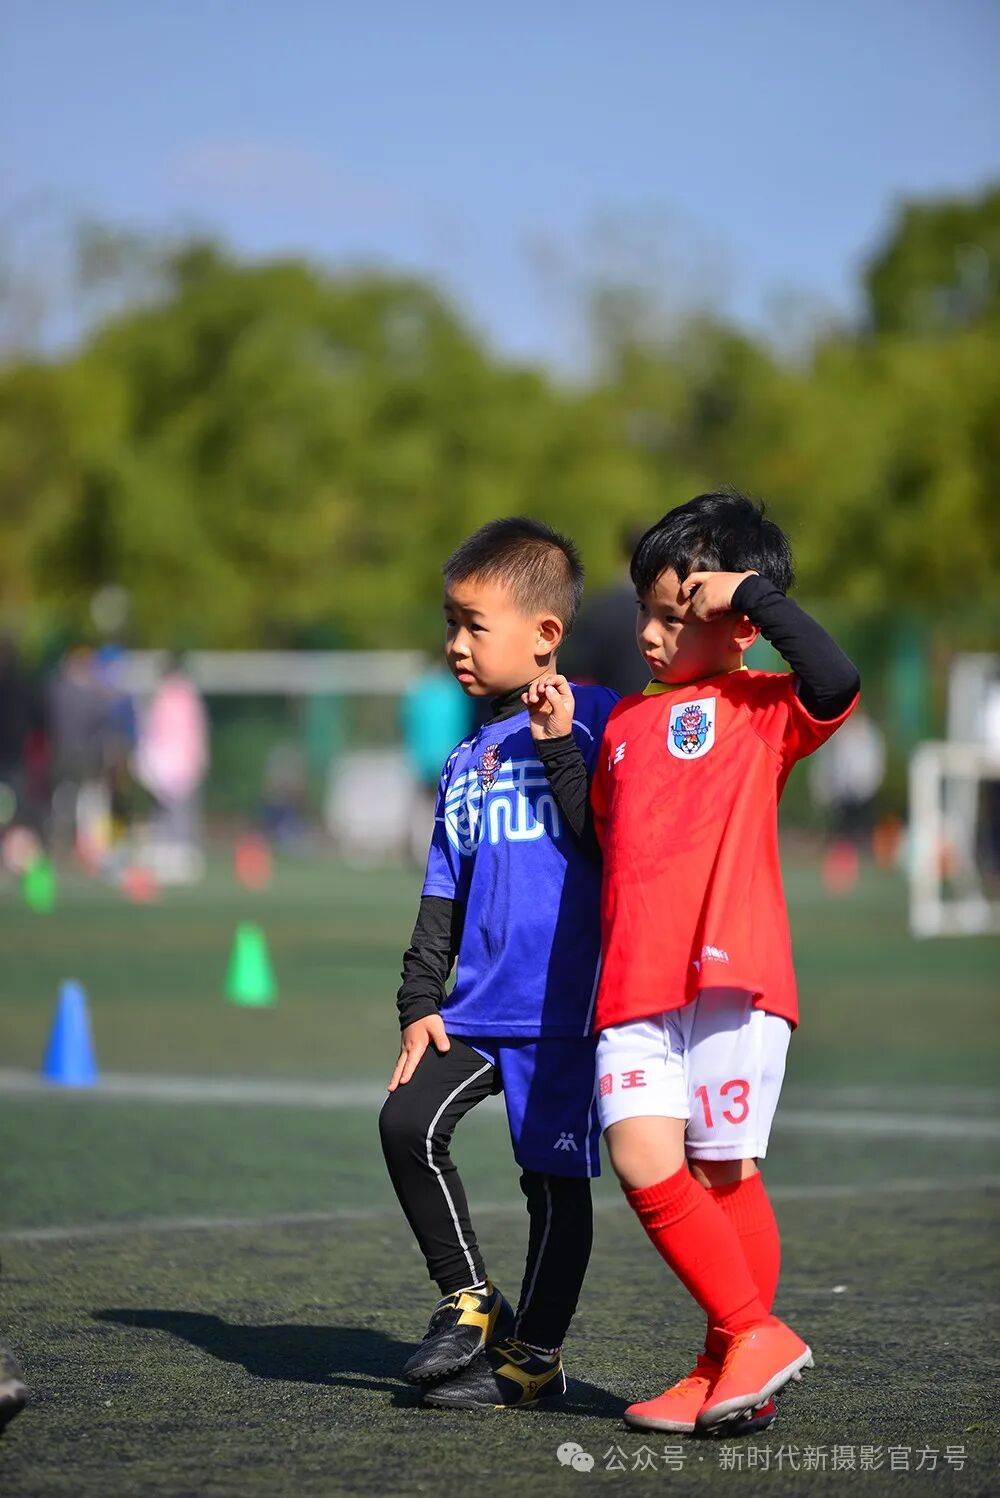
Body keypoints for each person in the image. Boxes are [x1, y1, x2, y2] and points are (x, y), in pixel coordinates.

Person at [525, 490, 859, 1435]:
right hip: (634, 977)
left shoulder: (766, 707)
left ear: (736, 623)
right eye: (647, 610)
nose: (652, 632)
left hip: (731, 975)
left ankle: (727, 1365)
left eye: (679, 614)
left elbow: (836, 678)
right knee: (640, 1156)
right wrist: (559, 753)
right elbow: (602, 836)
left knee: (722, 1170)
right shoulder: (626, 723)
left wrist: (753, 594)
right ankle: (752, 1334)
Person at [379, 517, 617, 1410]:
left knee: (553, 1187)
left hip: (563, 1013)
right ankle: (471, 1298)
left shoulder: (602, 720)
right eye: (451, 623)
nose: (455, 644)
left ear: (545, 634)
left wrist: (558, 743)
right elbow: (442, 889)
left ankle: (535, 1358)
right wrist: (419, 1000)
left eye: (473, 625)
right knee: (406, 1124)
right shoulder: (465, 758)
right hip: (475, 1011)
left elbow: (605, 841)